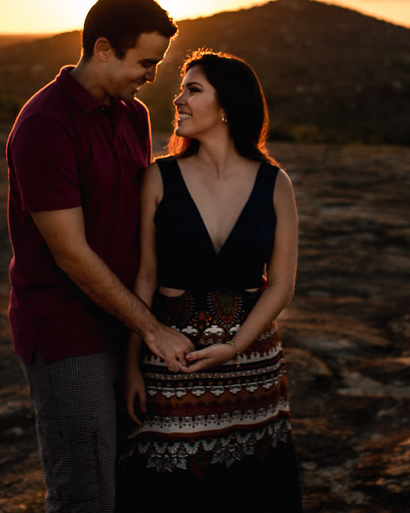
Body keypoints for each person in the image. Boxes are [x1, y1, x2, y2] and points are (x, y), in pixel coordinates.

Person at [6, 0, 197, 513]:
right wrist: (153, 329)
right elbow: (71, 254)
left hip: (126, 323)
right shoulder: (45, 125)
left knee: (133, 480)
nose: (153, 76)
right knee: (84, 493)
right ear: (105, 49)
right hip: (70, 330)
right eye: (146, 62)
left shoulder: (132, 115)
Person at [118, 51, 302, 512]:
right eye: (182, 90)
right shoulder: (158, 177)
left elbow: (280, 284)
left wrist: (237, 346)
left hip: (252, 369)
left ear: (227, 106)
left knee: (251, 492)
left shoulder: (275, 183)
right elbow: (145, 274)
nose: (177, 100)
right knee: (169, 491)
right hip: (172, 364)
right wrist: (131, 367)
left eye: (192, 90)